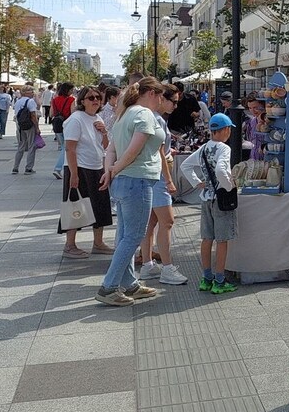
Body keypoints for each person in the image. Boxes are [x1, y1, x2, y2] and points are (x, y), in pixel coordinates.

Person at [96, 78, 168, 307]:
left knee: (124, 235)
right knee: (134, 236)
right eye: (160, 96)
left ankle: (129, 284)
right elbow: (134, 150)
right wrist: (114, 169)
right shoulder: (144, 114)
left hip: (124, 181)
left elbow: (111, 149)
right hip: (137, 180)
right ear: (152, 93)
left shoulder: (124, 114)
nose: (161, 101)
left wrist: (110, 170)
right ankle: (109, 287)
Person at [180, 113, 239, 295]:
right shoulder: (224, 148)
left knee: (207, 239)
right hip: (221, 200)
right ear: (225, 130)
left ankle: (206, 278)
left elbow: (185, 165)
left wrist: (197, 182)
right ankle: (219, 281)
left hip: (205, 198)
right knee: (222, 241)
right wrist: (229, 185)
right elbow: (221, 170)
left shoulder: (204, 148)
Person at [138, 86, 187, 286]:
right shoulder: (156, 118)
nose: (175, 106)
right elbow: (158, 152)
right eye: (173, 101)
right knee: (167, 222)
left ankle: (148, 264)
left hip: (151, 174)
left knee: (150, 223)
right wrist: (168, 180)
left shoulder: (151, 117)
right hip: (158, 174)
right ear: (160, 98)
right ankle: (167, 267)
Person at [59, 86, 113, 259]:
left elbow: (105, 146)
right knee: (76, 205)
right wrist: (74, 174)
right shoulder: (76, 119)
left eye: (98, 97)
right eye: (91, 98)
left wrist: (104, 132)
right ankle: (70, 245)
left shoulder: (97, 118)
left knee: (100, 205)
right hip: (80, 167)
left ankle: (98, 243)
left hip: (96, 166)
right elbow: (70, 148)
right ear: (82, 101)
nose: (95, 100)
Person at [11, 84, 41, 175]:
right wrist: (37, 127)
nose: (32, 93)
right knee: (32, 146)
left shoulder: (18, 101)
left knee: (21, 146)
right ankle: (28, 168)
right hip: (29, 125)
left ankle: (15, 167)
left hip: (20, 126)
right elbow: (33, 115)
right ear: (25, 93)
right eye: (31, 91)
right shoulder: (30, 101)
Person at [51, 82, 75, 178]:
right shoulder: (71, 99)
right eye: (71, 90)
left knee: (63, 147)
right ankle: (58, 168)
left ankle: (64, 168)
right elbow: (73, 113)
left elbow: (51, 114)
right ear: (67, 90)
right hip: (67, 125)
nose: (72, 91)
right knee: (66, 148)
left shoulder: (55, 100)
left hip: (57, 125)